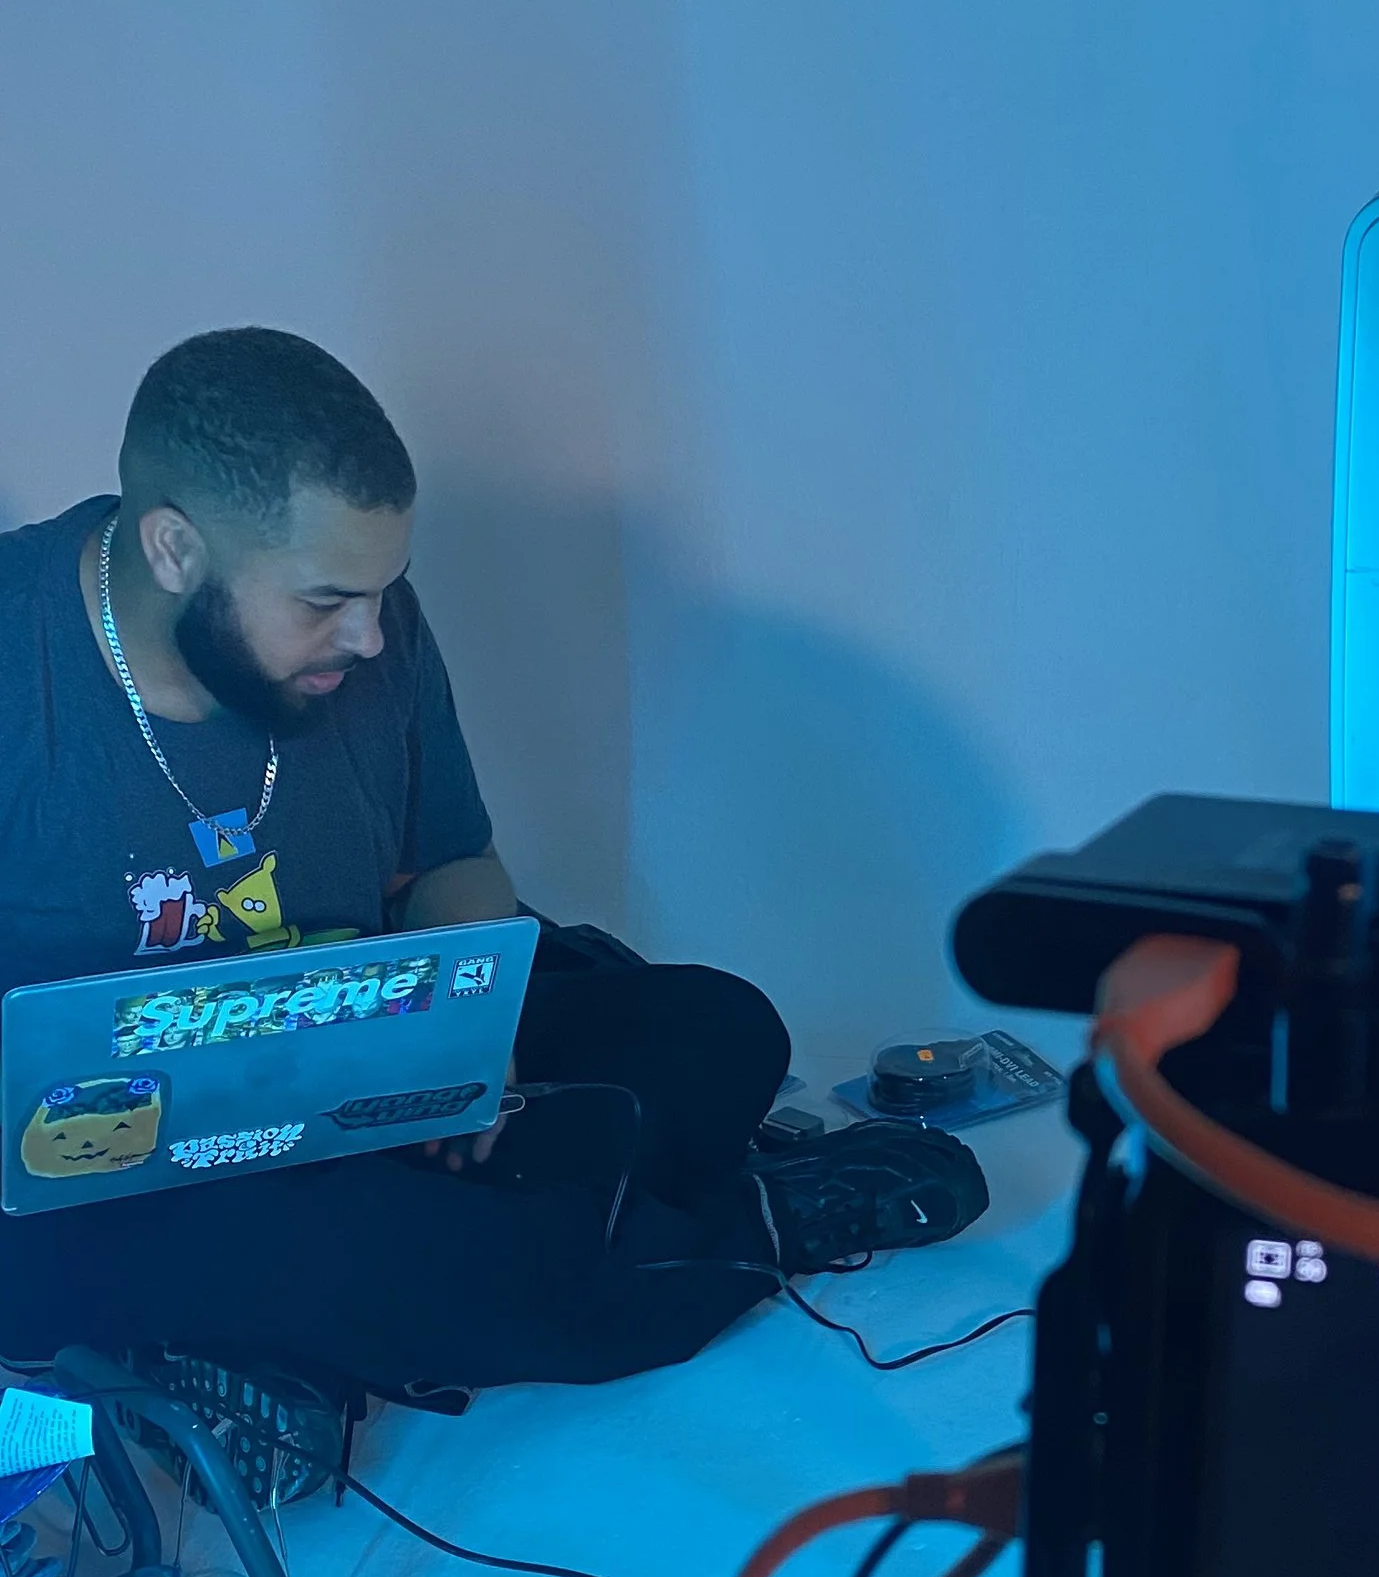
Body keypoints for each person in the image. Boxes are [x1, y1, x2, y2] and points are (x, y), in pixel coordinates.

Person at [0, 327, 792, 1401]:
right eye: (326, 602)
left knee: (722, 1029)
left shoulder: (372, 635)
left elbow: (454, 860)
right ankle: (676, 1233)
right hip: (108, 1161)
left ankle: (493, 1249)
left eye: (384, 591)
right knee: (305, 1242)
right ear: (175, 551)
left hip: (356, 1058)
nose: (370, 638)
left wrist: (466, 1041)